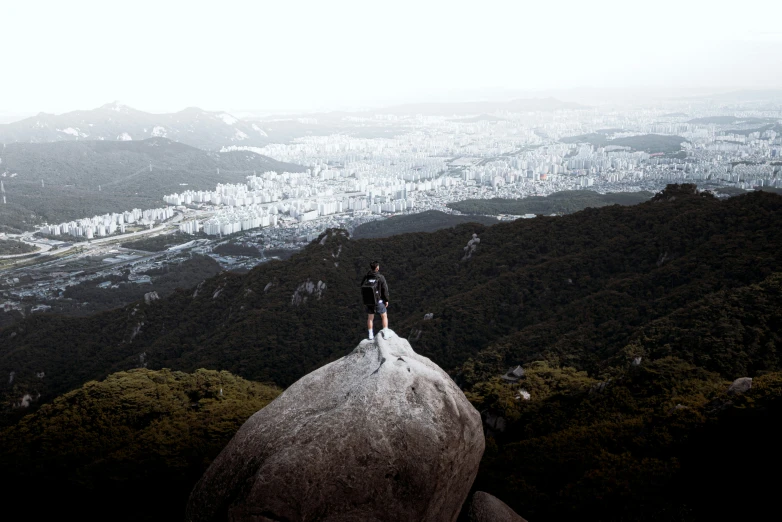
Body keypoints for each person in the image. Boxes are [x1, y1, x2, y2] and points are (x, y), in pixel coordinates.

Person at [361, 261, 389, 340]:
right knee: (384, 316)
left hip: (369, 301)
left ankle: (370, 335)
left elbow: (362, 285)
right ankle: (386, 333)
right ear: (377, 268)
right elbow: (385, 290)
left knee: (370, 318)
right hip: (379, 300)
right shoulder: (380, 277)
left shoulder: (367, 276)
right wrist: (386, 300)